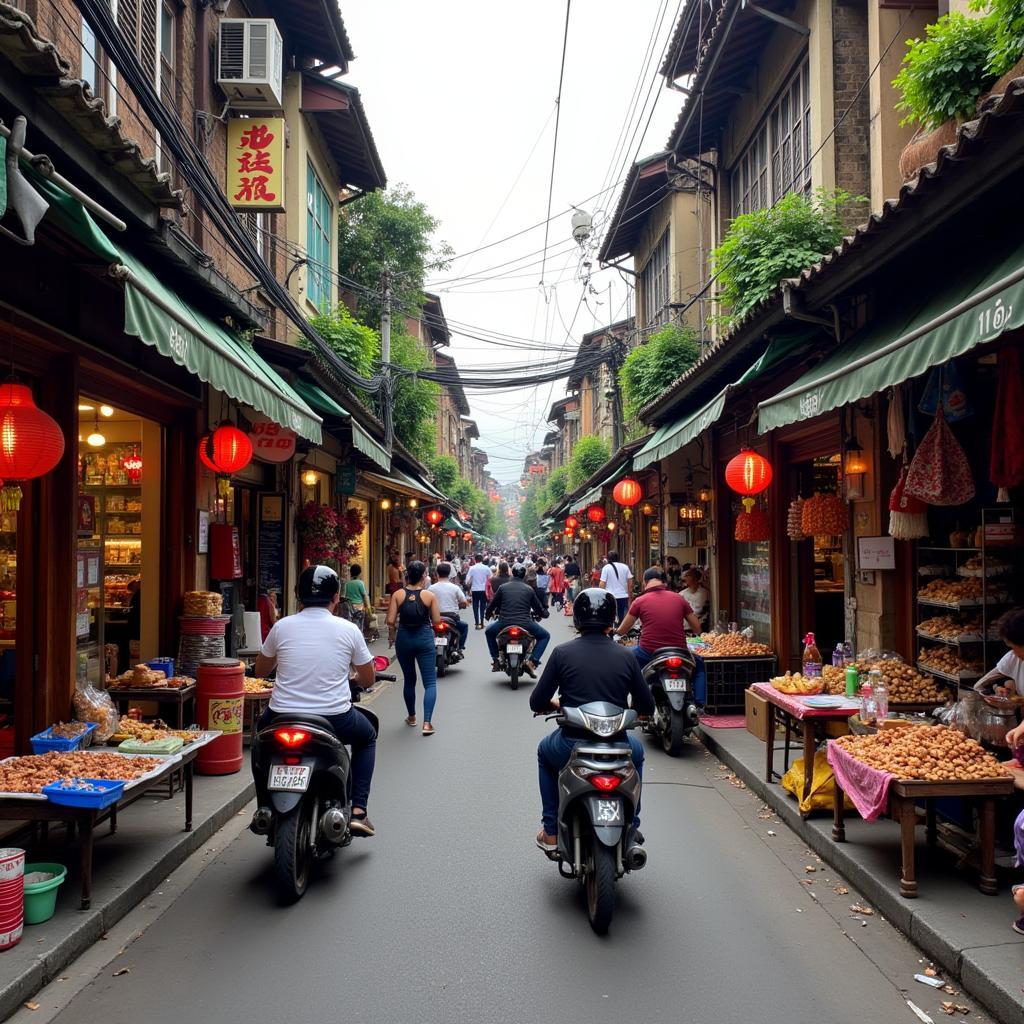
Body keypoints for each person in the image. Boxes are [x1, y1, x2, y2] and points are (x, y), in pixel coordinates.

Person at [253, 565, 378, 837]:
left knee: (258, 740)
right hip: (334, 718)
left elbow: (260, 671)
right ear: (336, 597)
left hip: (280, 716)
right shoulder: (348, 629)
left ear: (298, 596)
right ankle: (358, 810)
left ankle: (264, 805)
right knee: (367, 737)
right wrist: (353, 678)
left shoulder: (282, 626)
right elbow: (368, 679)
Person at [529, 588, 655, 852]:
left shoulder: (562, 653)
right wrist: (634, 712)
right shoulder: (626, 656)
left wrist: (553, 704)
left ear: (577, 619)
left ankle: (551, 830)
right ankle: (633, 825)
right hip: (618, 746)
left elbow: (537, 702)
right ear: (612, 621)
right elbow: (646, 706)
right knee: (639, 754)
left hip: (571, 744)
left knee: (544, 752)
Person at [615, 567, 706, 703]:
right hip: (679, 651)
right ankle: (699, 704)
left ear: (645, 583)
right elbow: (697, 628)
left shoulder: (639, 601)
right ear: (664, 582)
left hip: (648, 652)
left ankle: (624, 703)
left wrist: (614, 631)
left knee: (626, 664)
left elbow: (622, 630)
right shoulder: (679, 598)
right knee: (699, 667)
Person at [387, 561, 442, 736]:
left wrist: (392, 634)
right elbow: (437, 621)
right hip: (424, 638)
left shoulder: (398, 594)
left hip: (404, 638)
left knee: (410, 680)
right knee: (430, 683)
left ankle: (411, 717)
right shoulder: (429, 596)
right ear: (423, 576)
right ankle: (427, 723)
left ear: (407, 575)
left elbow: (390, 620)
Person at [485, 563, 550, 677]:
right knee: (545, 636)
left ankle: (496, 659)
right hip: (525, 623)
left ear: (512, 573)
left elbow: (492, 604)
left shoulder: (503, 588)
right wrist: (544, 613)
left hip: (503, 622)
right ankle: (532, 662)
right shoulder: (529, 589)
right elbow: (538, 608)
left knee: (488, 632)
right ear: (524, 575)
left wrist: (487, 614)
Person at [428, 561, 470, 653]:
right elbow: (464, 602)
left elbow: (426, 603)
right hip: (452, 618)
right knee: (465, 627)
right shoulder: (455, 588)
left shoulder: (431, 588)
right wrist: (461, 605)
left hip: (435, 618)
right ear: (449, 573)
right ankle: (460, 648)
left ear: (437, 573)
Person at [599, 550, 634, 626]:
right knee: (622, 619)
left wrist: (601, 596)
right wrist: (630, 598)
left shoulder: (606, 568)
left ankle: (612, 633)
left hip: (610, 597)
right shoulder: (625, 567)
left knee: (610, 617)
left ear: (608, 558)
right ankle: (621, 634)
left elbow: (602, 584)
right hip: (623, 597)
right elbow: (630, 584)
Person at [464, 553, 492, 630]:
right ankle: (482, 622)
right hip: (483, 590)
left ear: (475, 560)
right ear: (482, 560)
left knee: (475, 606)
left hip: (475, 589)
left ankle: (476, 623)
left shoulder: (472, 568)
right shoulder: (486, 568)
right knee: (483, 606)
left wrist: (469, 584)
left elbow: (467, 580)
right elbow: (490, 578)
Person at [343, 565, 372, 634]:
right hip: (359, 608)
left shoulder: (347, 584)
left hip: (349, 608)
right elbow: (365, 596)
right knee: (360, 627)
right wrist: (369, 608)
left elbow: (345, 595)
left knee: (351, 625)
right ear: (360, 573)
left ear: (351, 572)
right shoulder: (360, 583)